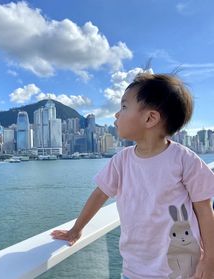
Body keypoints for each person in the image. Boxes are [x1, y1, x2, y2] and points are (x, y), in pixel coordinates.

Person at [51, 73, 214, 279]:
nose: (116, 115)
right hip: (134, 270)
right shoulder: (121, 160)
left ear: (149, 118)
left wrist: (210, 259)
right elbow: (99, 195)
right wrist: (75, 230)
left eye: (124, 107)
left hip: (183, 269)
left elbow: (205, 210)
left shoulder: (184, 159)